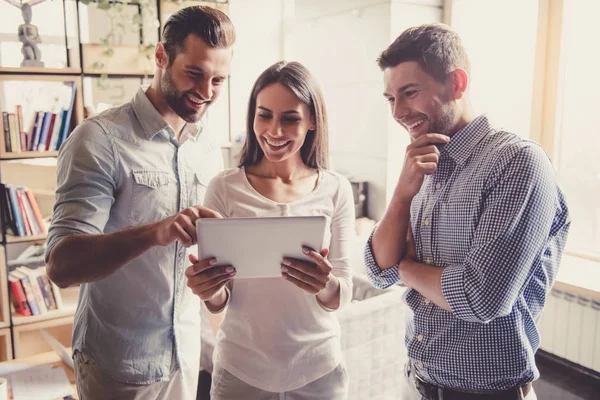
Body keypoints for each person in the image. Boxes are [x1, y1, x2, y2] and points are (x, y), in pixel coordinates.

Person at [365, 23, 570, 400]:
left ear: (457, 84)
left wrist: (404, 268)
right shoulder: (422, 164)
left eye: (409, 93)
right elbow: (377, 270)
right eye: (390, 99)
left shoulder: (517, 163)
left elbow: (480, 298)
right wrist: (402, 193)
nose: (398, 112)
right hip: (416, 383)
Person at [44, 6, 235, 399]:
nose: (206, 92)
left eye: (218, 79)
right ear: (161, 57)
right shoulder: (99, 139)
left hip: (185, 357)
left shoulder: (208, 149)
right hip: (117, 365)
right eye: (194, 74)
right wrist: (156, 232)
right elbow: (61, 266)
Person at [185, 61, 355, 399]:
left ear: (312, 123)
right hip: (241, 371)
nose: (275, 131)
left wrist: (326, 284)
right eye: (264, 115)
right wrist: (208, 290)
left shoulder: (336, 188)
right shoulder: (224, 187)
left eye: (290, 118)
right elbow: (221, 298)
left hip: (318, 370)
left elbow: (343, 292)